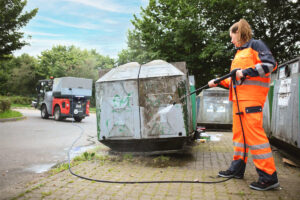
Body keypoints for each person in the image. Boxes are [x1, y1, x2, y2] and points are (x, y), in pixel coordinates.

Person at [208, 19, 279, 191]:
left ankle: (269, 177)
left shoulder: (256, 45)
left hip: (251, 101)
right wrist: (219, 82)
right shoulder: (239, 53)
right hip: (238, 102)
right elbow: (236, 80)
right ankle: (237, 169)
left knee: (256, 138)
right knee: (239, 139)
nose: (231, 41)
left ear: (240, 34)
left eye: (233, 37)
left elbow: (270, 65)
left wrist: (245, 72)